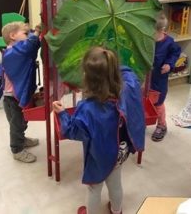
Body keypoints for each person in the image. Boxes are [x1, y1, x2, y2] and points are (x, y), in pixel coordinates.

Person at [53, 46, 145, 214]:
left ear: (88, 79)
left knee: (94, 188)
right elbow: (128, 72)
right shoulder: (128, 86)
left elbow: (73, 131)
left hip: (99, 156)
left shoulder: (87, 109)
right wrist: (111, 66)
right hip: (120, 150)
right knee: (115, 183)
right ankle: (117, 210)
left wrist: (62, 114)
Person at [2, 21, 41, 163]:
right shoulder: (11, 52)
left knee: (23, 121)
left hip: (17, 96)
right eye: (26, 33)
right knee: (17, 124)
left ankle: (22, 139)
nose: (29, 35)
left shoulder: (19, 49)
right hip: (12, 98)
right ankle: (17, 149)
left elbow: (32, 46)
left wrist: (38, 35)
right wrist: (36, 32)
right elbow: (28, 46)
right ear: (13, 36)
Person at [150, 13, 181, 141]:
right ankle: (144, 120)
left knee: (158, 103)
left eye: (154, 33)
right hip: (146, 78)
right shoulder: (147, 40)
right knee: (144, 100)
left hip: (160, 79)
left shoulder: (169, 42)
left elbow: (175, 53)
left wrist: (169, 64)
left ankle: (162, 125)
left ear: (162, 30)